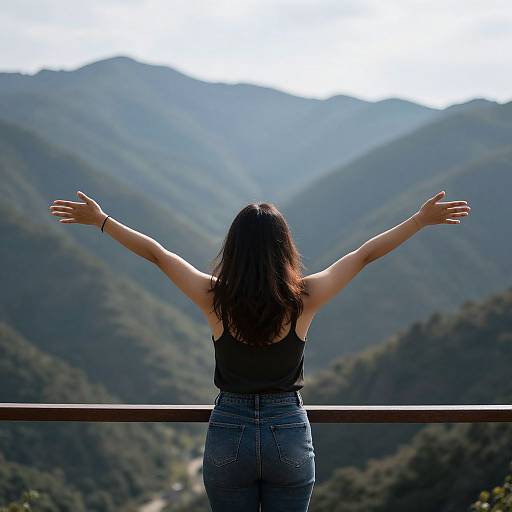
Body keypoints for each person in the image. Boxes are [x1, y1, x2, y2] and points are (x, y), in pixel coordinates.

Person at [49, 189, 470, 511]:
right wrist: (418, 221)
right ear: (284, 249)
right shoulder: (304, 298)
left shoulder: (214, 298)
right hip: (286, 426)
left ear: (232, 249)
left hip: (228, 426)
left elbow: (159, 255)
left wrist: (102, 221)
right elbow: (362, 256)